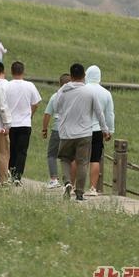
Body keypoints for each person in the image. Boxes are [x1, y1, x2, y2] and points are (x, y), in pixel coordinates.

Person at [55, 63, 110, 201]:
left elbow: (57, 108)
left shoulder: (63, 91)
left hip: (67, 132)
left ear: (71, 75)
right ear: (84, 76)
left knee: (65, 158)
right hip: (85, 133)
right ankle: (79, 192)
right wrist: (105, 129)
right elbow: (99, 112)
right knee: (83, 162)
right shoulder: (89, 92)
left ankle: (67, 182)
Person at [4, 61, 42, 186]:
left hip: (10, 123)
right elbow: (36, 103)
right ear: (23, 71)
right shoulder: (30, 85)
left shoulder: (7, 86)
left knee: (11, 150)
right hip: (25, 123)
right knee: (22, 151)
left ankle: (10, 172)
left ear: (11, 71)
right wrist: (30, 114)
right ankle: (17, 177)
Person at [85, 65, 115, 196]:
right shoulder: (106, 93)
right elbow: (109, 114)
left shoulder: (82, 89)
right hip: (97, 130)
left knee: (78, 158)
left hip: (81, 129)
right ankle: (92, 188)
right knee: (95, 159)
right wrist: (109, 130)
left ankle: (73, 186)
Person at [42, 73, 71, 189]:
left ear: (60, 84)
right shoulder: (74, 97)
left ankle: (54, 179)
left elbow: (47, 114)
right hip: (71, 130)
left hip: (57, 129)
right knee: (68, 157)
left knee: (52, 154)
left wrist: (44, 129)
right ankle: (69, 181)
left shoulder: (55, 96)